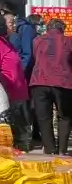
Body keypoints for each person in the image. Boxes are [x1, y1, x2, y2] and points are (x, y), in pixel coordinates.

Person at [0, 13, 31, 148]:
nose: (13, 26)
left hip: (16, 89)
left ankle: (20, 146)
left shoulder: (3, 40)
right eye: (10, 23)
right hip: (8, 91)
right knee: (14, 128)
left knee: (20, 125)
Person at [30, 19, 72, 155]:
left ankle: (49, 149)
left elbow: (35, 58)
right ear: (62, 29)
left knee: (44, 117)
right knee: (64, 116)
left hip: (39, 81)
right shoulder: (68, 41)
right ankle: (62, 150)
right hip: (63, 82)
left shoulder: (37, 40)